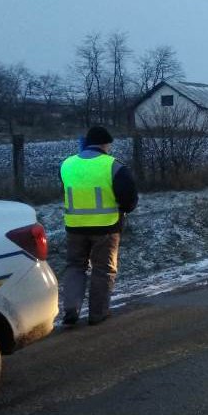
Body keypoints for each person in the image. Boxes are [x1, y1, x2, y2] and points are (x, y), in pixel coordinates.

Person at [60, 126, 138, 326]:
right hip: (106, 227)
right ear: (106, 144)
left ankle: (71, 308)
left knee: (75, 267)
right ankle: (98, 313)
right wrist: (125, 209)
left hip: (74, 226)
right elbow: (129, 198)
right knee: (102, 270)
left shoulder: (67, 165)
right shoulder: (113, 166)